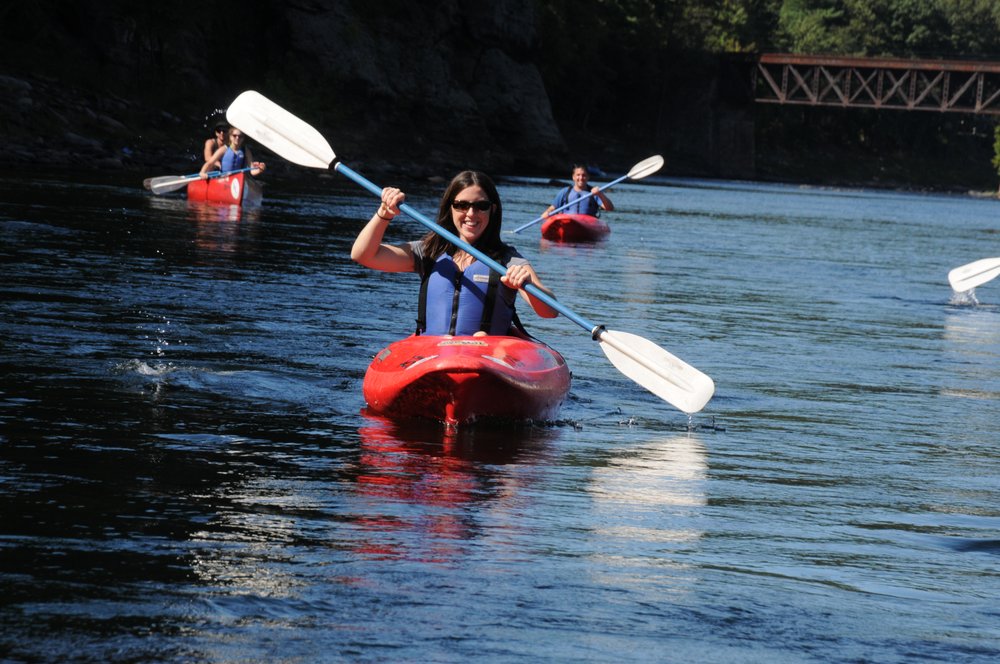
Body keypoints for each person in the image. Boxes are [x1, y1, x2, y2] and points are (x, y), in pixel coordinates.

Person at [351, 170, 559, 337]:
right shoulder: (428, 251)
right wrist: (383, 215)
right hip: (434, 354)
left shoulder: (507, 259)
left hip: (485, 357)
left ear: (492, 210)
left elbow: (549, 312)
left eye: (481, 206)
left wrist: (528, 286)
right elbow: (364, 255)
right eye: (461, 205)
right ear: (450, 208)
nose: (471, 214)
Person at [541, 164, 614, 218]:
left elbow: (610, 208)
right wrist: (548, 212)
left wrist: (600, 194)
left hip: (587, 223)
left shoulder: (594, 193)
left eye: (584, 175)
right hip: (566, 221)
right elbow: (552, 208)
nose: (581, 178)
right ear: (573, 177)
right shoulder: (565, 192)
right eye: (578, 175)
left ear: (588, 177)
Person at [200, 127, 265, 178]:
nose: (237, 138)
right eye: (234, 135)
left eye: (240, 136)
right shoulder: (223, 149)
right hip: (224, 178)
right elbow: (210, 163)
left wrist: (260, 169)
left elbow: (252, 171)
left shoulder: (246, 151)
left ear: (243, 138)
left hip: (237, 181)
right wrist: (202, 172)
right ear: (230, 137)